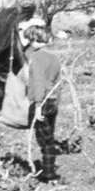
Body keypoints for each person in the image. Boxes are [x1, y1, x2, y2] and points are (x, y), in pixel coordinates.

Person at [18, 20, 62, 182]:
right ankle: (50, 170)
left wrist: (37, 105)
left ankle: (49, 174)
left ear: (33, 40)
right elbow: (57, 81)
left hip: (41, 102)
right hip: (53, 100)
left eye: (30, 40)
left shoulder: (36, 58)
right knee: (49, 136)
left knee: (45, 141)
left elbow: (38, 82)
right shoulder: (54, 58)